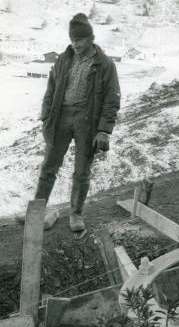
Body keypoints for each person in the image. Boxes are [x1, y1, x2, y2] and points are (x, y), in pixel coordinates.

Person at [31, 13, 121, 232]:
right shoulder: (64, 58)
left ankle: (76, 215)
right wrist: (45, 117)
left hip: (87, 121)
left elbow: (112, 99)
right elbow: (51, 88)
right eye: (72, 40)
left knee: (81, 171)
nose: (75, 45)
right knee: (48, 167)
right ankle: (36, 214)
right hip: (60, 118)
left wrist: (104, 130)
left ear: (90, 38)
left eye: (79, 40)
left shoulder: (105, 65)